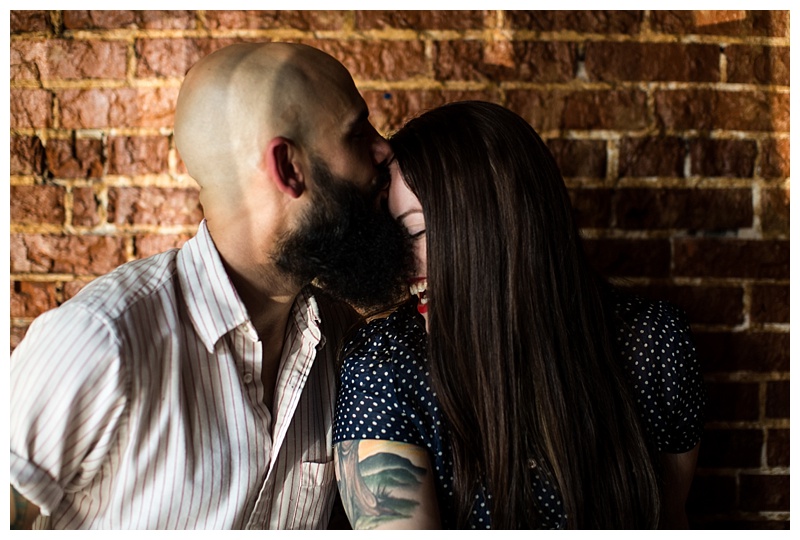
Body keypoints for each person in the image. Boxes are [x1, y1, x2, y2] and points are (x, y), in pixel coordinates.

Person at [10, 42, 413, 529]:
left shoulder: (339, 339)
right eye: (356, 132)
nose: (384, 148)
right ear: (288, 168)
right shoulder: (101, 342)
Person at [332, 101, 706, 529]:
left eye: (415, 230)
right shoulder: (383, 366)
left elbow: (670, 520)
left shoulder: (653, 344)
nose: (400, 260)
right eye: (394, 233)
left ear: (499, 231)